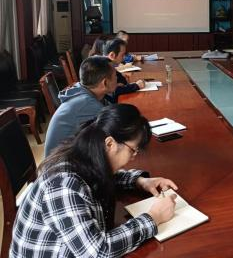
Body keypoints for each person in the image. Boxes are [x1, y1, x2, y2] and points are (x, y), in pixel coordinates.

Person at [11, 104, 178, 258]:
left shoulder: (86, 153)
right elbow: (98, 251)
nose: (134, 157)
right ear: (110, 143)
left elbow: (102, 176)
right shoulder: (64, 185)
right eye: (133, 150)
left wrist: (140, 181)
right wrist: (154, 217)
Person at [44, 56, 117, 156]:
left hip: (68, 155)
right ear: (104, 83)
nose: (117, 78)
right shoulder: (87, 104)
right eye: (115, 75)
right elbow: (114, 131)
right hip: (61, 162)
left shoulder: (81, 90)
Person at [103, 38, 145, 102]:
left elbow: (123, 79)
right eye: (122, 55)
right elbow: (113, 91)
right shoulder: (102, 67)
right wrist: (136, 86)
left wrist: (119, 85)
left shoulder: (110, 65)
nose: (123, 58)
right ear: (112, 55)